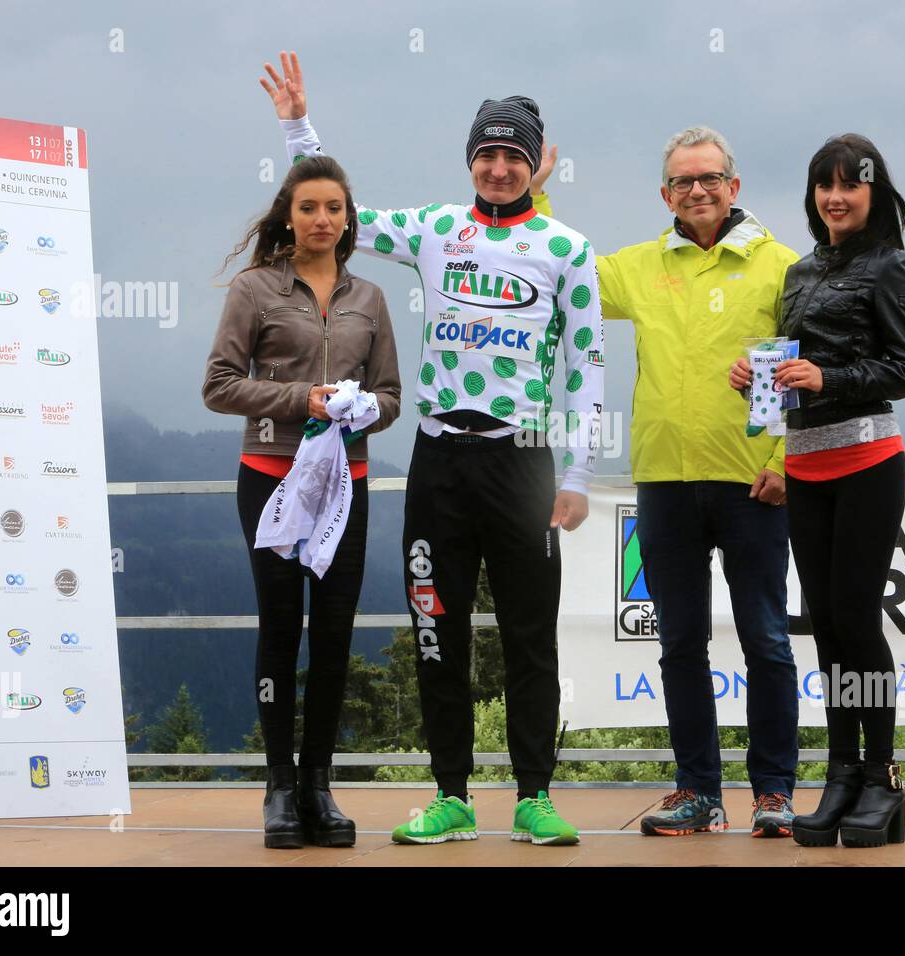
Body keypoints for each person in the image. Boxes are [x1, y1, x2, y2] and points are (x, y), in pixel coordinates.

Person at [260, 52, 604, 846]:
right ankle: (451, 794)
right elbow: (345, 217)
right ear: (470, 161)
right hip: (439, 459)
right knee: (434, 628)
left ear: (532, 166)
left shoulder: (567, 249)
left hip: (524, 462)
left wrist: (580, 473)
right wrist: (296, 127)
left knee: (529, 634)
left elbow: (586, 364)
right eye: (486, 153)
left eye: (514, 155)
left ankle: (534, 796)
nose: (498, 167)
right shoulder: (437, 231)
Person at [533, 128, 801, 837]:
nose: (698, 191)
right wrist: (534, 195)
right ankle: (697, 792)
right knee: (680, 642)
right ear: (666, 195)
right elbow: (566, 270)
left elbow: (799, 369)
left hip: (754, 483)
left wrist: (783, 459)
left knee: (766, 638)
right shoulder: (641, 266)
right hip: (663, 482)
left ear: (733, 186)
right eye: (683, 182)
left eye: (710, 178)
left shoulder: (781, 266)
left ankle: (774, 792)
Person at [730, 133, 905, 847]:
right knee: (827, 629)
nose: (835, 197)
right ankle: (841, 772)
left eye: (849, 184)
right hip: (806, 467)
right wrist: (761, 379)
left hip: (869, 462)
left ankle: (881, 776)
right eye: (824, 185)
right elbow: (795, 366)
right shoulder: (801, 270)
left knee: (856, 619)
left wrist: (830, 379)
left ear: (874, 194)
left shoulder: (891, 266)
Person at [203, 154, 402, 849]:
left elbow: (393, 400)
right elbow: (219, 384)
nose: (323, 219)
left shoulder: (370, 297)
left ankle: (320, 785)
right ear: (289, 213)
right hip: (270, 477)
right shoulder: (254, 289)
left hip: (345, 482)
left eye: (335, 209)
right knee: (282, 626)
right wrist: (299, 399)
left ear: (350, 218)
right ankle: (279, 788)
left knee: (337, 633)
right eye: (310, 207)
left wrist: (360, 408)